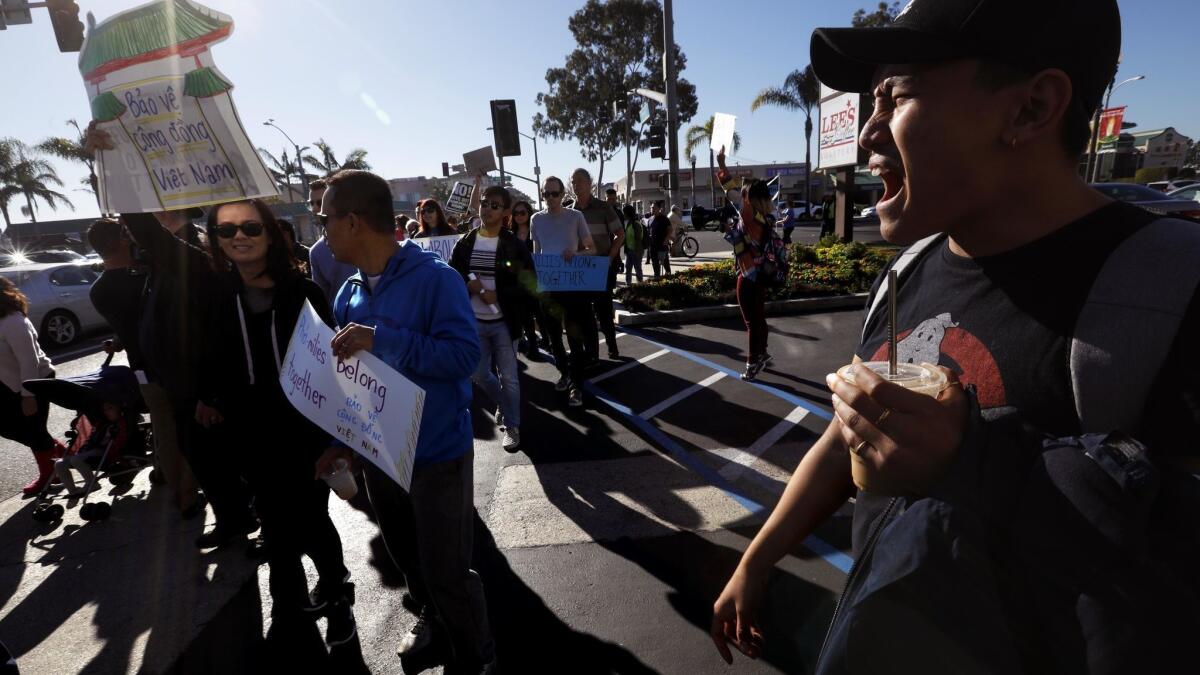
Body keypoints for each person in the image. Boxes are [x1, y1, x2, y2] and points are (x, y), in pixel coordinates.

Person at [712, 1, 1198, 672]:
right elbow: (848, 435)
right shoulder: (908, 271)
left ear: (1030, 108)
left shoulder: (1174, 294)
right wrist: (758, 558)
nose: (867, 135)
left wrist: (971, 459)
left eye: (895, 96)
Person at [312, 170, 494, 673]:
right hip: (379, 458)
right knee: (411, 564)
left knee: (448, 573)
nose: (320, 227)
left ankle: (476, 658)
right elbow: (352, 380)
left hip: (437, 455)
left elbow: (463, 359)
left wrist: (383, 337)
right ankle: (436, 626)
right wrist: (340, 442)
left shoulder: (436, 278)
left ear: (352, 222)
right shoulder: (347, 291)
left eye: (325, 217)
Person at [198, 198, 354, 645]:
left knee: (311, 520)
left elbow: (334, 370)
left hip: (304, 435)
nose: (238, 237)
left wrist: (337, 438)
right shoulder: (215, 295)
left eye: (249, 227)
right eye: (226, 231)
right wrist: (207, 398)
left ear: (269, 233)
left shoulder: (304, 294)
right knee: (274, 525)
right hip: (249, 439)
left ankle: (338, 594)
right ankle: (288, 604)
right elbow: (209, 357)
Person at [87, 218, 201, 517]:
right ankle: (193, 486)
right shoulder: (148, 276)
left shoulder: (98, 291)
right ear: (125, 238)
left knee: (164, 430)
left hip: (142, 367)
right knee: (190, 427)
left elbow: (127, 326)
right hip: (176, 362)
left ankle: (182, 493)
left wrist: (119, 341)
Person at [449, 185, 537, 452]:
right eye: (484, 203)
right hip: (473, 321)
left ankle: (512, 425)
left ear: (506, 212)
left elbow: (528, 282)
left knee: (509, 377)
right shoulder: (465, 242)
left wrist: (497, 294)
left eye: (494, 205)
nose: (487, 208)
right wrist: (468, 283)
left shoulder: (513, 245)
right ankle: (504, 403)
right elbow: (453, 273)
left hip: (504, 322)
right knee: (477, 372)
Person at [531, 175, 596, 408]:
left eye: (555, 193)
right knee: (553, 336)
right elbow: (537, 253)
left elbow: (592, 248)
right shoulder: (535, 219)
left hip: (572, 285)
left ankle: (576, 385)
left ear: (563, 194)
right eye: (546, 194)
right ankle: (564, 372)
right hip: (548, 286)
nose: (550, 198)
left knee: (574, 335)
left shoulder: (575, 217)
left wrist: (575, 253)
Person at [0, 276, 64, 496]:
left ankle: (51, 473)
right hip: (8, 383)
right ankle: (58, 452)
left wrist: (29, 395)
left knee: (34, 430)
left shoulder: (13, 321)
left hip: (35, 381)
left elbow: (29, 361)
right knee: (8, 427)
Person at [716, 150, 776, 381]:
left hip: (748, 273)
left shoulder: (749, 214)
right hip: (761, 273)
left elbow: (730, 191)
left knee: (751, 321)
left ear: (749, 197)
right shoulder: (767, 216)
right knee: (759, 317)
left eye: (745, 194)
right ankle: (763, 353)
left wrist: (722, 163)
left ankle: (752, 363)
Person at [570, 168, 622, 360]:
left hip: (601, 265)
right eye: (573, 182)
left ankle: (612, 345)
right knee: (584, 313)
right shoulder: (569, 212)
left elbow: (620, 234)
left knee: (604, 310)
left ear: (590, 183)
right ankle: (592, 353)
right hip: (579, 267)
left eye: (580, 181)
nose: (576, 185)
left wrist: (610, 257)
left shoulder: (603, 207)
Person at [307, 178, 358, 307]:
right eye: (311, 203)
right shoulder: (316, 252)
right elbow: (321, 298)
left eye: (320, 203)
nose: (314, 209)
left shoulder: (360, 237)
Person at [508, 199, 544, 360]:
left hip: (536, 280)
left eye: (522, 212)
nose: (519, 216)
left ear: (529, 213)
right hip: (518, 282)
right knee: (525, 317)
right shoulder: (509, 235)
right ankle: (534, 347)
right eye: (515, 213)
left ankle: (548, 340)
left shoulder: (536, 230)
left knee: (540, 313)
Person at [646, 202, 673, 277]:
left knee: (664, 261)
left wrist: (667, 239)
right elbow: (649, 231)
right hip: (652, 245)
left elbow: (670, 230)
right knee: (654, 261)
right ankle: (656, 276)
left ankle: (668, 274)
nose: (652, 209)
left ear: (659, 209)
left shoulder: (664, 219)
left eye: (654, 208)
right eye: (651, 207)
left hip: (662, 244)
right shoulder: (650, 219)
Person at [622, 204, 645, 284]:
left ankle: (640, 285)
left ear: (627, 213)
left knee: (637, 268)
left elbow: (639, 239)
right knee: (628, 268)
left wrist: (637, 252)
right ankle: (628, 285)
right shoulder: (629, 223)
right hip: (629, 251)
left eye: (624, 212)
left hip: (636, 250)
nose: (623, 214)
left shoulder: (636, 224)